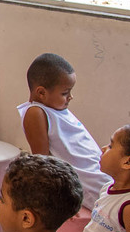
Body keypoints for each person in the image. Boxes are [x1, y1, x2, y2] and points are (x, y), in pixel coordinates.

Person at [18, 52, 111, 208]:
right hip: (88, 184)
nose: (70, 97)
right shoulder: (36, 112)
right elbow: (42, 160)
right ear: (41, 93)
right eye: (65, 93)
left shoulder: (54, 107)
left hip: (100, 173)